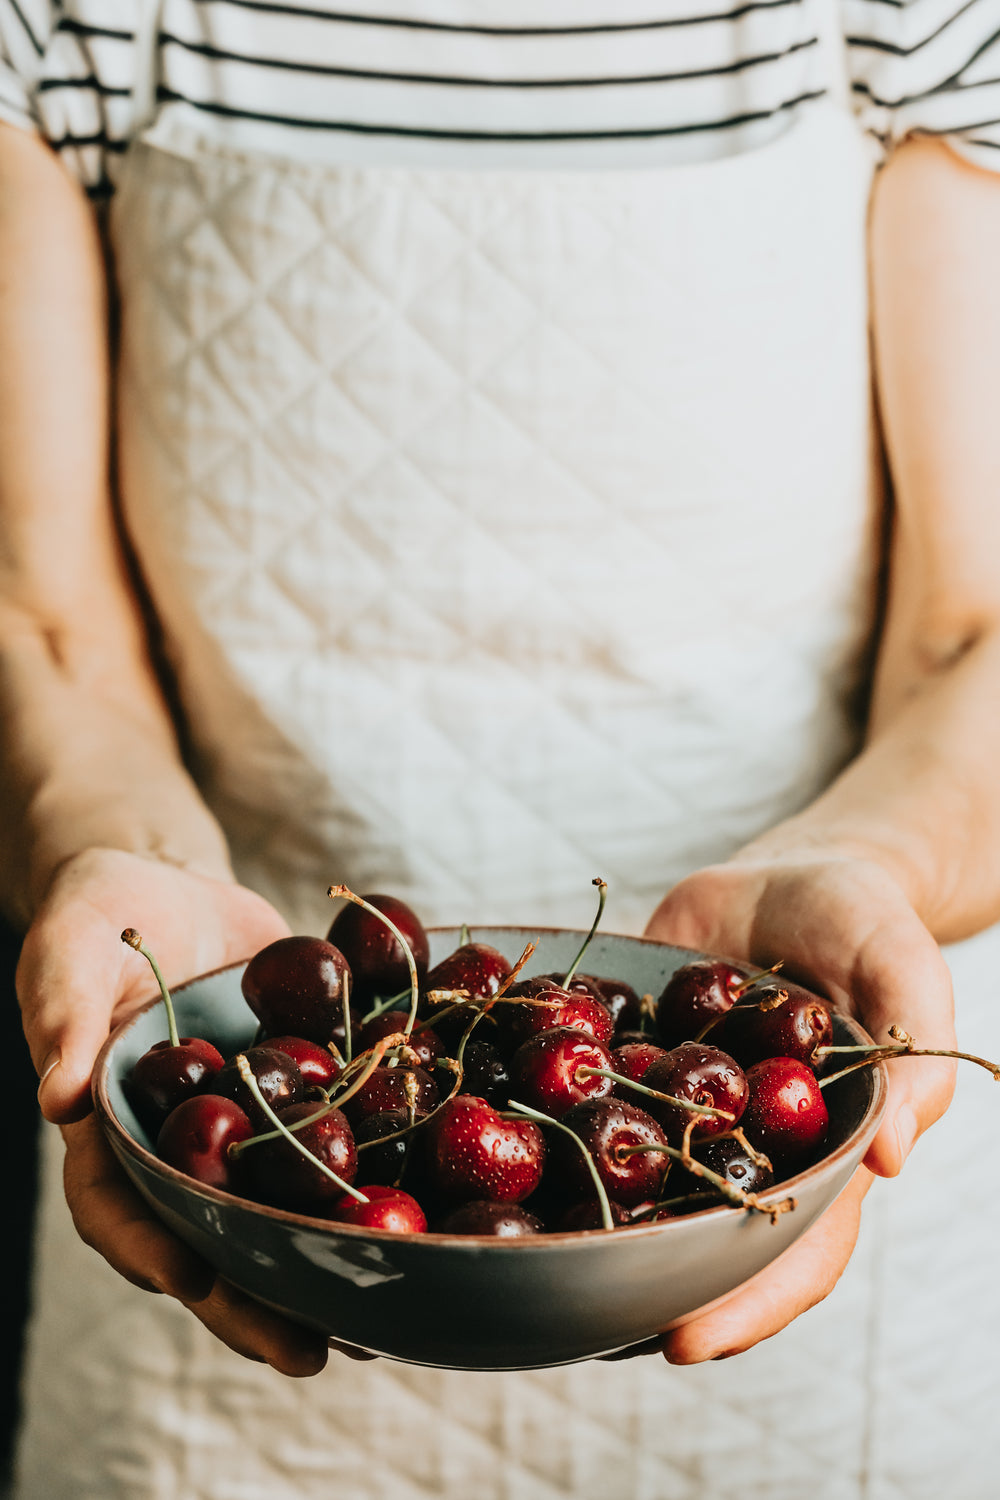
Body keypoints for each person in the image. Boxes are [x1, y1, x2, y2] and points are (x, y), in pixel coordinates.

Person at [2, 0, 1000, 1494]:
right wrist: (117, 864)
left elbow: (973, 628)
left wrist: (866, 863)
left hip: (761, 1195)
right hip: (234, 1174)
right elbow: (49, 617)